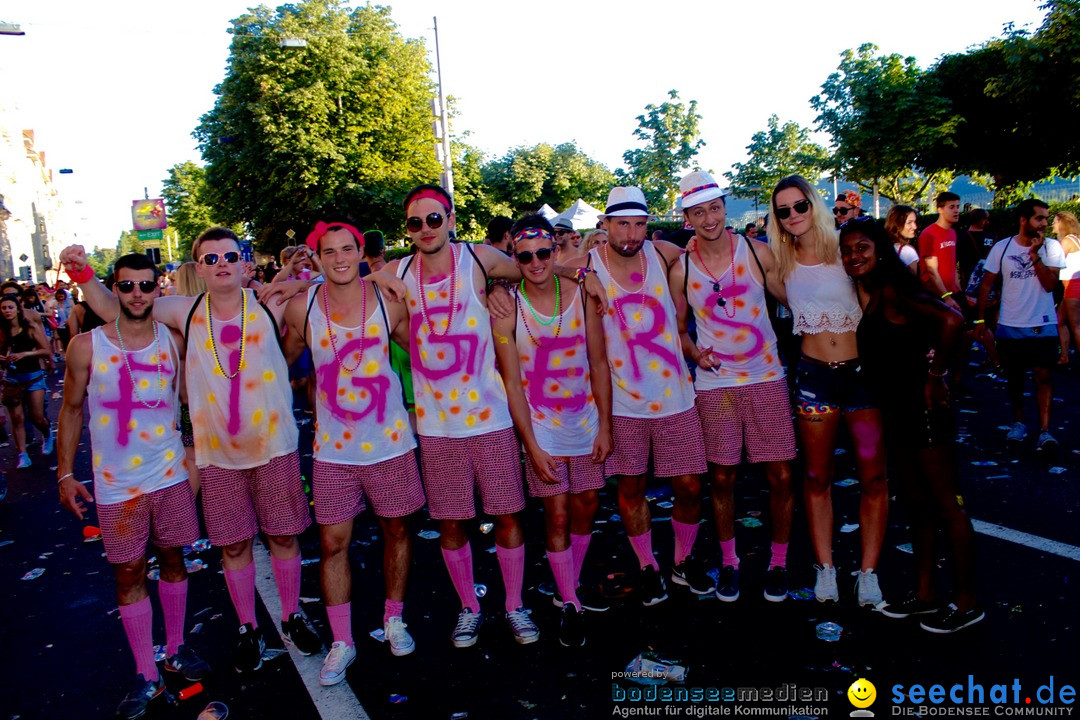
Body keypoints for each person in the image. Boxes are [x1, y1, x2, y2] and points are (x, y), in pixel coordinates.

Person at [60, 229, 328, 674]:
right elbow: (115, 306)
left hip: (274, 447)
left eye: (230, 255)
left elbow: (335, 289)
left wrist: (300, 279)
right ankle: (248, 627)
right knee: (234, 544)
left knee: (283, 536)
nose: (221, 263)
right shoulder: (184, 312)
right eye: (210, 258)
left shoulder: (269, 302)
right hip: (217, 456)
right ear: (197, 267)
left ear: (244, 262)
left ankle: (291, 615)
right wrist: (83, 273)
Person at [383, 184, 605, 647]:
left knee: (507, 516)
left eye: (434, 219)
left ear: (451, 219)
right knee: (450, 522)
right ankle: (469, 607)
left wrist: (584, 276)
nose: (425, 229)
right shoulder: (398, 273)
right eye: (415, 223)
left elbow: (537, 267)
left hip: (493, 420)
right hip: (437, 424)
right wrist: (298, 282)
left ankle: (514, 605)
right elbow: (347, 279)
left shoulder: (481, 259)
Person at [57, 253, 210, 719]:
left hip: (167, 474)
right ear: (115, 290)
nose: (138, 294)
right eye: (127, 286)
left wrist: (191, 451)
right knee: (127, 573)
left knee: (172, 559)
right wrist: (64, 473)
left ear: (156, 288)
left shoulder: (173, 340)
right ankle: (146, 673)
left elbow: (186, 400)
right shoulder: (86, 347)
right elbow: (70, 409)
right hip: (115, 483)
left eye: (146, 286)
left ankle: (177, 649)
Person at [282, 218, 425, 685]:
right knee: (331, 544)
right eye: (330, 251)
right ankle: (342, 641)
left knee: (397, 530)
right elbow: (278, 359)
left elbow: (423, 352)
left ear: (360, 251)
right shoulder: (302, 308)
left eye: (348, 249)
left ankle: (393, 618)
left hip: (390, 444)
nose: (340, 258)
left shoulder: (388, 300)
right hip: (334, 452)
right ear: (317, 258)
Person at [567, 186, 710, 605]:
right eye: (622, 224)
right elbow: (537, 270)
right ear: (605, 225)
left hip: (675, 397)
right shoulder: (589, 263)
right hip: (622, 401)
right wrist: (580, 274)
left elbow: (712, 246)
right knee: (631, 488)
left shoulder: (663, 254)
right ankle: (648, 566)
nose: (631, 233)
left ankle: (682, 561)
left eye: (640, 224)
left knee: (688, 486)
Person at [840, 219, 983, 633]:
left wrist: (935, 377)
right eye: (847, 251)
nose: (854, 257)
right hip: (897, 413)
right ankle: (924, 596)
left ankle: (967, 603)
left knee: (946, 508)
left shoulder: (892, 288)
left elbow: (953, 321)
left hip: (921, 412)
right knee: (918, 507)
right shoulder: (875, 291)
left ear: (881, 248)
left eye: (862, 247)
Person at [671, 171, 795, 603]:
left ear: (726, 207)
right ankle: (729, 562)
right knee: (722, 478)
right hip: (715, 384)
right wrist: (693, 352)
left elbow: (795, 300)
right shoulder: (683, 266)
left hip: (766, 378)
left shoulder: (758, 253)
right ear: (687, 217)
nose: (709, 218)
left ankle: (778, 563)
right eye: (699, 211)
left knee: (780, 474)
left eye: (715, 207)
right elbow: (678, 329)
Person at [491, 214, 613, 647]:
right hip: (542, 430)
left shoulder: (582, 293)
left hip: (586, 422)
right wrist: (530, 445)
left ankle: (569, 581)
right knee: (557, 514)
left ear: (556, 251)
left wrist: (606, 427)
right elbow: (510, 382)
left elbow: (599, 363)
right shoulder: (506, 307)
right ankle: (569, 601)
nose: (536, 262)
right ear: (515, 259)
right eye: (525, 256)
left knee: (587, 505)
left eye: (544, 252)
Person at [767, 175, 888, 607]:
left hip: (861, 377)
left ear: (813, 203)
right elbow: (719, 253)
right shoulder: (777, 260)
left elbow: (888, 293)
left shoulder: (846, 247)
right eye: (783, 211)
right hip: (814, 379)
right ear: (776, 218)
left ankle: (869, 573)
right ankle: (826, 569)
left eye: (799, 205)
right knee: (817, 477)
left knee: (874, 476)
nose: (793, 215)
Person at [976, 199, 1066, 452]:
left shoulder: (1052, 247)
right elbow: (986, 283)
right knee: (1014, 379)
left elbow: (1050, 285)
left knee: (1044, 376)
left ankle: (1045, 431)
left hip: (1043, 323)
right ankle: (1019, 423)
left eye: (1046, 218)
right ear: (1024, 220)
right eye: (1040, 218)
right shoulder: (1002, 248)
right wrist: (981, 319)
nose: (1045, 224)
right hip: (1009, 324)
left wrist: (1035, 256)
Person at [0, 296, 53, 468]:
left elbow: (46, 350)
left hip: (33, 376)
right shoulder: (2, 331)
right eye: (3, 308)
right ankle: (22, 454)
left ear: (17, 309)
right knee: (16, 418)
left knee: (37, 417)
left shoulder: (30, 328)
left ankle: (47, 434)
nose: (7, 310)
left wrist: (25, 354)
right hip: (11, 378)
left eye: (10, 307)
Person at [918, 192, 963, 312]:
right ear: (940, 209)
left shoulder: (952, 233)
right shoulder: (929, 234)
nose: (956, 211)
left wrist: (958, 291)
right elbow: (932, 270)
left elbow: (952, 265)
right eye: (952, 207)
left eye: (958, 207)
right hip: (936, 295)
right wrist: (946, 297)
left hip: (952, 293)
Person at [1053, 211, 1080, 364]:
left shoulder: (1067, 241)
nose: (1053, 224)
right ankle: (1064, 357)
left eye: (1056, 221)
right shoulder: (1076, 239)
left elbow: (1056, 262)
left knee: (1076, 326)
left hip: (1073, 287)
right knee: (1060, 321)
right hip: (1071, 288)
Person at [884, 205, 920, 274]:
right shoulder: (908, 251)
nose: (915, 227)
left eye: (914, 222)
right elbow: (911, 282)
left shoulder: (881, 247)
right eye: (909, 222)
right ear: (897, 224)